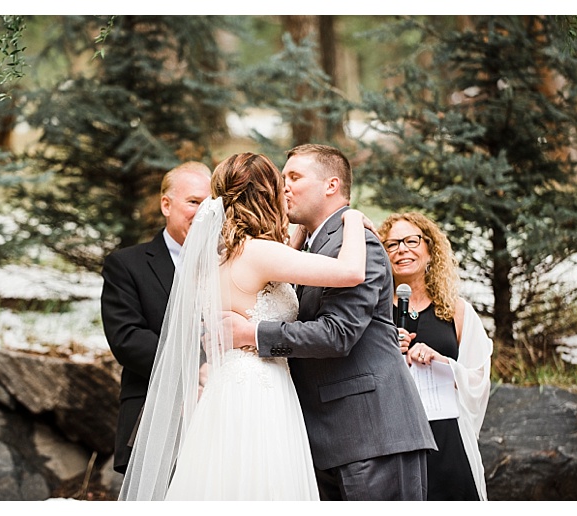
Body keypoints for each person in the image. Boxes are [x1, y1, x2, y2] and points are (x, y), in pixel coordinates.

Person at [121, 152, 372, 500]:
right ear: (267, 194)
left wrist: (296, 236)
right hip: (260, 391)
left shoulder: (215, 259)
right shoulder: (260, 254)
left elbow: (280, 262)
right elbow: (352, 272)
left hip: (226, 391)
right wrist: (354, 218)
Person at [225, 144, 437, 500]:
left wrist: (254, 333)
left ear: (331, 185)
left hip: (371, 432)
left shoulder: (359, 244)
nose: (283, 187)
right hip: (324, 436)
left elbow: (339, 334)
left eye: (294, 177)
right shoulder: (306, 248)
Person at [101, 161, 210, 475]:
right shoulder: (127, 265)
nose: (202, 213)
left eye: (209, 204)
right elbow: (127, 338)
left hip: (222, 411)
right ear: (166, 204)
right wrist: (196, 369)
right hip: (153, 414)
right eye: (193, 202)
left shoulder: (231, 262)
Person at [381, 212, 494, 500]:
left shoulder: (457, 311)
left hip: (447, 437)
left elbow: (479, 379)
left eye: (411, 240)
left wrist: (443, 362)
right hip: (394, 437)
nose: (401, 249)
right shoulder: (373, 313)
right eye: (391, 244)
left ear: (430, 250)